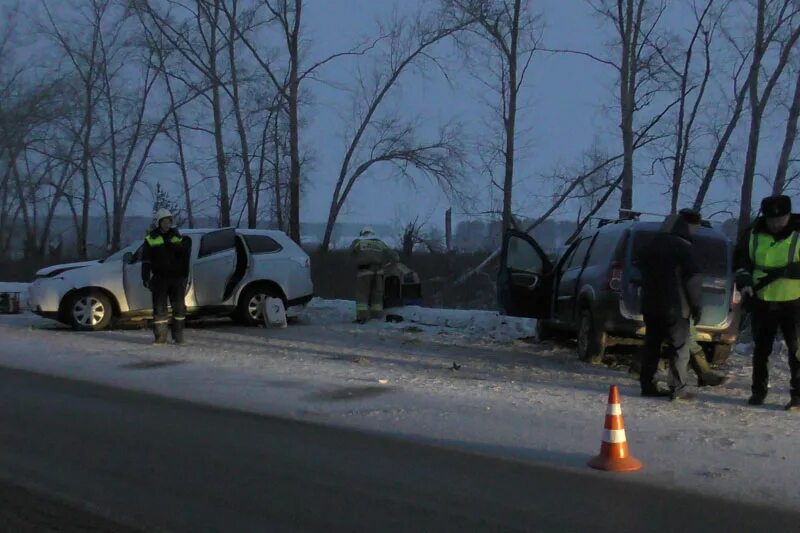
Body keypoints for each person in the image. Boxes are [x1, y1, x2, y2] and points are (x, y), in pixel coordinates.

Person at [734, 195, 800, 410]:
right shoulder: (753, 232)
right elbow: (741, 259)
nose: (775, 223)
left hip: (794, 302)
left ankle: (797, 397)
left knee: (796, 352)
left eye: (780, 218)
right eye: (771, 219)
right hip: (761, 300)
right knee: (761, 350)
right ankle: (758, 392)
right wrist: (743, 279)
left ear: (789, 215)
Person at [636, 213, 704, 400]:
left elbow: (637, 267)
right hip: (676, 306)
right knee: (679, 348)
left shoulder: (649, 246)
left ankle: (647, 384)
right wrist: (697, 306)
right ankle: (678, 388)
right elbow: (693, 280)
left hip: (650, 305)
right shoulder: (684, 248)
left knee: (652, 345)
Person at [678, 208, 730, 387]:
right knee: (686, 338)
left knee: (670, 336)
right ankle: (704, 374)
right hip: (681, 300)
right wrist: (696, 304)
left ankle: (704, 374)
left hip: (670, 299)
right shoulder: (684, 244)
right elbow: (691, 279)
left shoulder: (673, 240)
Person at [142, 208, 190, 344]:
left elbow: (184, 258)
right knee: (159, 308)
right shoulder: (151, 238)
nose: (167, 224)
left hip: (176, 278)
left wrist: (185, 275)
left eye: (169, 221)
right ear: (159, 222)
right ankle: (160, 337)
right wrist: (145, 278)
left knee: (179, 308)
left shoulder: (176, 237)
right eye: (164, 221)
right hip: (160, 278)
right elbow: (146, 260)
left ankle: (178, 336)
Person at [351, 227, 399, 323]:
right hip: (379, 272)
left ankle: (362, 317)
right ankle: (376, 316)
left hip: (364, 272)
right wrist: (388, 265)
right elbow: (395, 256)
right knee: (377, 295)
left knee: (362, 294)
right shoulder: (380, 243)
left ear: (362, 233)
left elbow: (352, 252)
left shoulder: (358, 241)